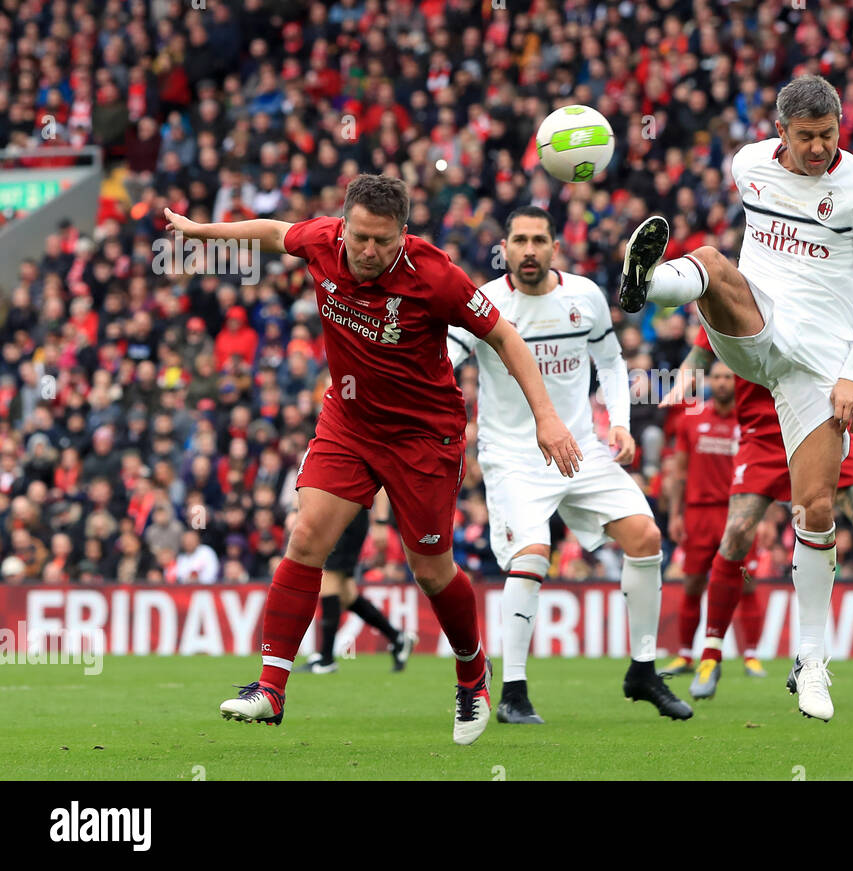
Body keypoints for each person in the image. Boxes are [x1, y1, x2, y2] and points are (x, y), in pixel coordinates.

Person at [164, 174, 582, 745]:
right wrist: (200, 231)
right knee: (308, 536)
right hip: (351, 422)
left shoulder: (436, 276)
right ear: (344, 227)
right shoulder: (324, 240)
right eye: (359, 237)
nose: (367, 251)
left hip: (423, 437)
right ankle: (269, 687)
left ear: (403, 235)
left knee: (431, 571)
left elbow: (506, 337)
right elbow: (273, 231)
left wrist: (547, 417)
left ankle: (471, 673)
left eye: (382, 242)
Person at [617, 75, 853, 721]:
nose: (820, 148)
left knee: (818, 507)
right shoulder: (747, 166)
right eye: (806, 138)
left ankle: (811, 660)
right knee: (713, 261)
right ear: (780, 133)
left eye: (828, 134)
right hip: (751, 332)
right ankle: (647, 284)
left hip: (819, 366)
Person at [447, 206, 691, 725]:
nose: (529, 250)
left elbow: (609, 363)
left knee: (647, 538)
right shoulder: (484, 302)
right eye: (519, 241)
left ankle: (643, 671)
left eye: (539, 240)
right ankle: (513, 690)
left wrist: (619, 423)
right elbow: (446, 359)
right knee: (533, 553)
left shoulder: (583, 296)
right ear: (505, 248)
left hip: (581, 448)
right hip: (513, 455)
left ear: (555, 247)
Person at [664, 329, 853, 701]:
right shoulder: (747, 294)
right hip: (765, 437)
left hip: (827, 424)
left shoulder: (822, 286)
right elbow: (703, 345)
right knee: (737, 532)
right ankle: (710, 654)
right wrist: (684, 375)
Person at [659, 359, 768, 683]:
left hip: (740, 512)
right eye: (717, 377)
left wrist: (765, 517)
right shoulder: (691, 419)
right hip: (698, 513)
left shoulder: (750, 419)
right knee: (692, 582)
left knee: (746, 583)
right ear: (709, 382)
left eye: (727, 377)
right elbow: (679, 471)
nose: (722, 383)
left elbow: (767, 469)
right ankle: (685, 654)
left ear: (737, 382)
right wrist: (675, 514)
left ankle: (750, 655)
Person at [295, 490, 418, 675]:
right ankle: (398, 638)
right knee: (346, 594)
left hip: (346, 517)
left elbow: (381, 485)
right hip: (334, 516)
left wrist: (381, 522)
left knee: (329, 582)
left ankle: (326, 659)